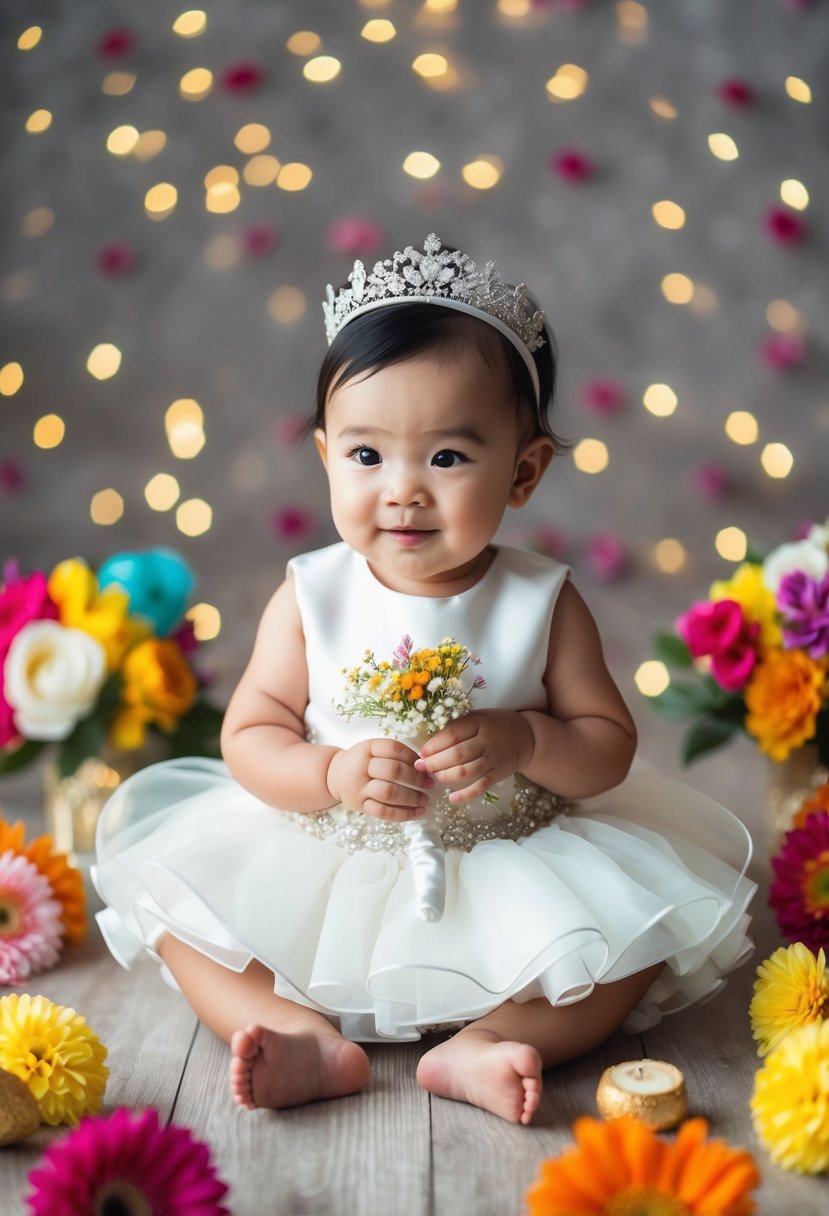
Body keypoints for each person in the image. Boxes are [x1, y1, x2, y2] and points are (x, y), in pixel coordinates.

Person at [93, 234, 755, 1126]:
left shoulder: (540, 601)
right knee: (184, 922)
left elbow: (607, 749)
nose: (403, 491)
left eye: (445, 458)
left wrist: (527, 739)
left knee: (630, 943)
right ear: (326, 455)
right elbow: (249, 734)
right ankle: (296, 1034)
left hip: (508, 853)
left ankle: (484, 1044)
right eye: (367, 456)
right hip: (327, 848)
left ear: (523, 473)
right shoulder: (311, 595)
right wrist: (326, 774)